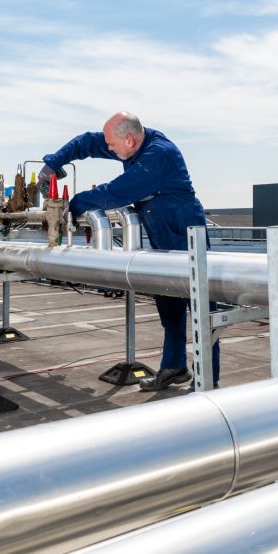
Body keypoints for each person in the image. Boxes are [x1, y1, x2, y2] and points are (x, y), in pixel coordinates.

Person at [41, 112, 219, 391]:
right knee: (167, 299)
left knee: (200, 304)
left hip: (183, 229)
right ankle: (174, 366)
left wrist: (74, 203)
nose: (108, 149)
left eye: (113, 146)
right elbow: (88, 142)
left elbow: (117, 193)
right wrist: (53, 163)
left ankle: (209, 379)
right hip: (159, 229)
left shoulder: (157, 155)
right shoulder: (130, 143)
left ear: (130, 140)